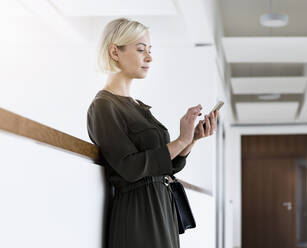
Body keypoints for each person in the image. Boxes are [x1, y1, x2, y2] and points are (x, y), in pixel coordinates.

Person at [86, 18, 219, 248]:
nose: (149, 57)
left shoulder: (138, 106)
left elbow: (167, 166)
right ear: (115, 52)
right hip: (139, 214)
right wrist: (181, 139)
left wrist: (191, 140)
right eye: (140, 50)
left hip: (161, 207)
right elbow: (131, 166)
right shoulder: (104, 106)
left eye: (149, 50)